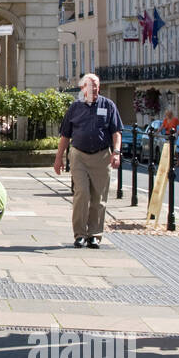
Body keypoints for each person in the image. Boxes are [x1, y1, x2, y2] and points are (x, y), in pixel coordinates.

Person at [54, 73, 123, 249]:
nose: (95, 89)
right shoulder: (75, 107)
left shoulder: (108, 105)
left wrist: (116, 152)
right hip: (79, 155)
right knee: (82, 194)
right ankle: (79, 234)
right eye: (91, 86)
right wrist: (59, 157)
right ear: (83, 88)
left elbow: (116, 132)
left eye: (97, 86)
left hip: (101, 156)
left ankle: (94, 234)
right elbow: (65, 135)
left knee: (99, 198)